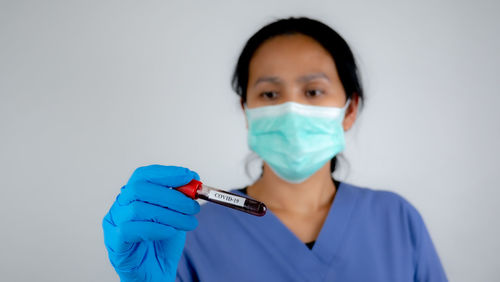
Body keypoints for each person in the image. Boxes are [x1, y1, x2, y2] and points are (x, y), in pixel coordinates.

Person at [102, 17, 448, 282]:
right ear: (247, 111)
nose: (290, 108)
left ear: (350, 109)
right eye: (269, 94)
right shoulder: (187, 232)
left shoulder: (397, 221)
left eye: (313, 91)